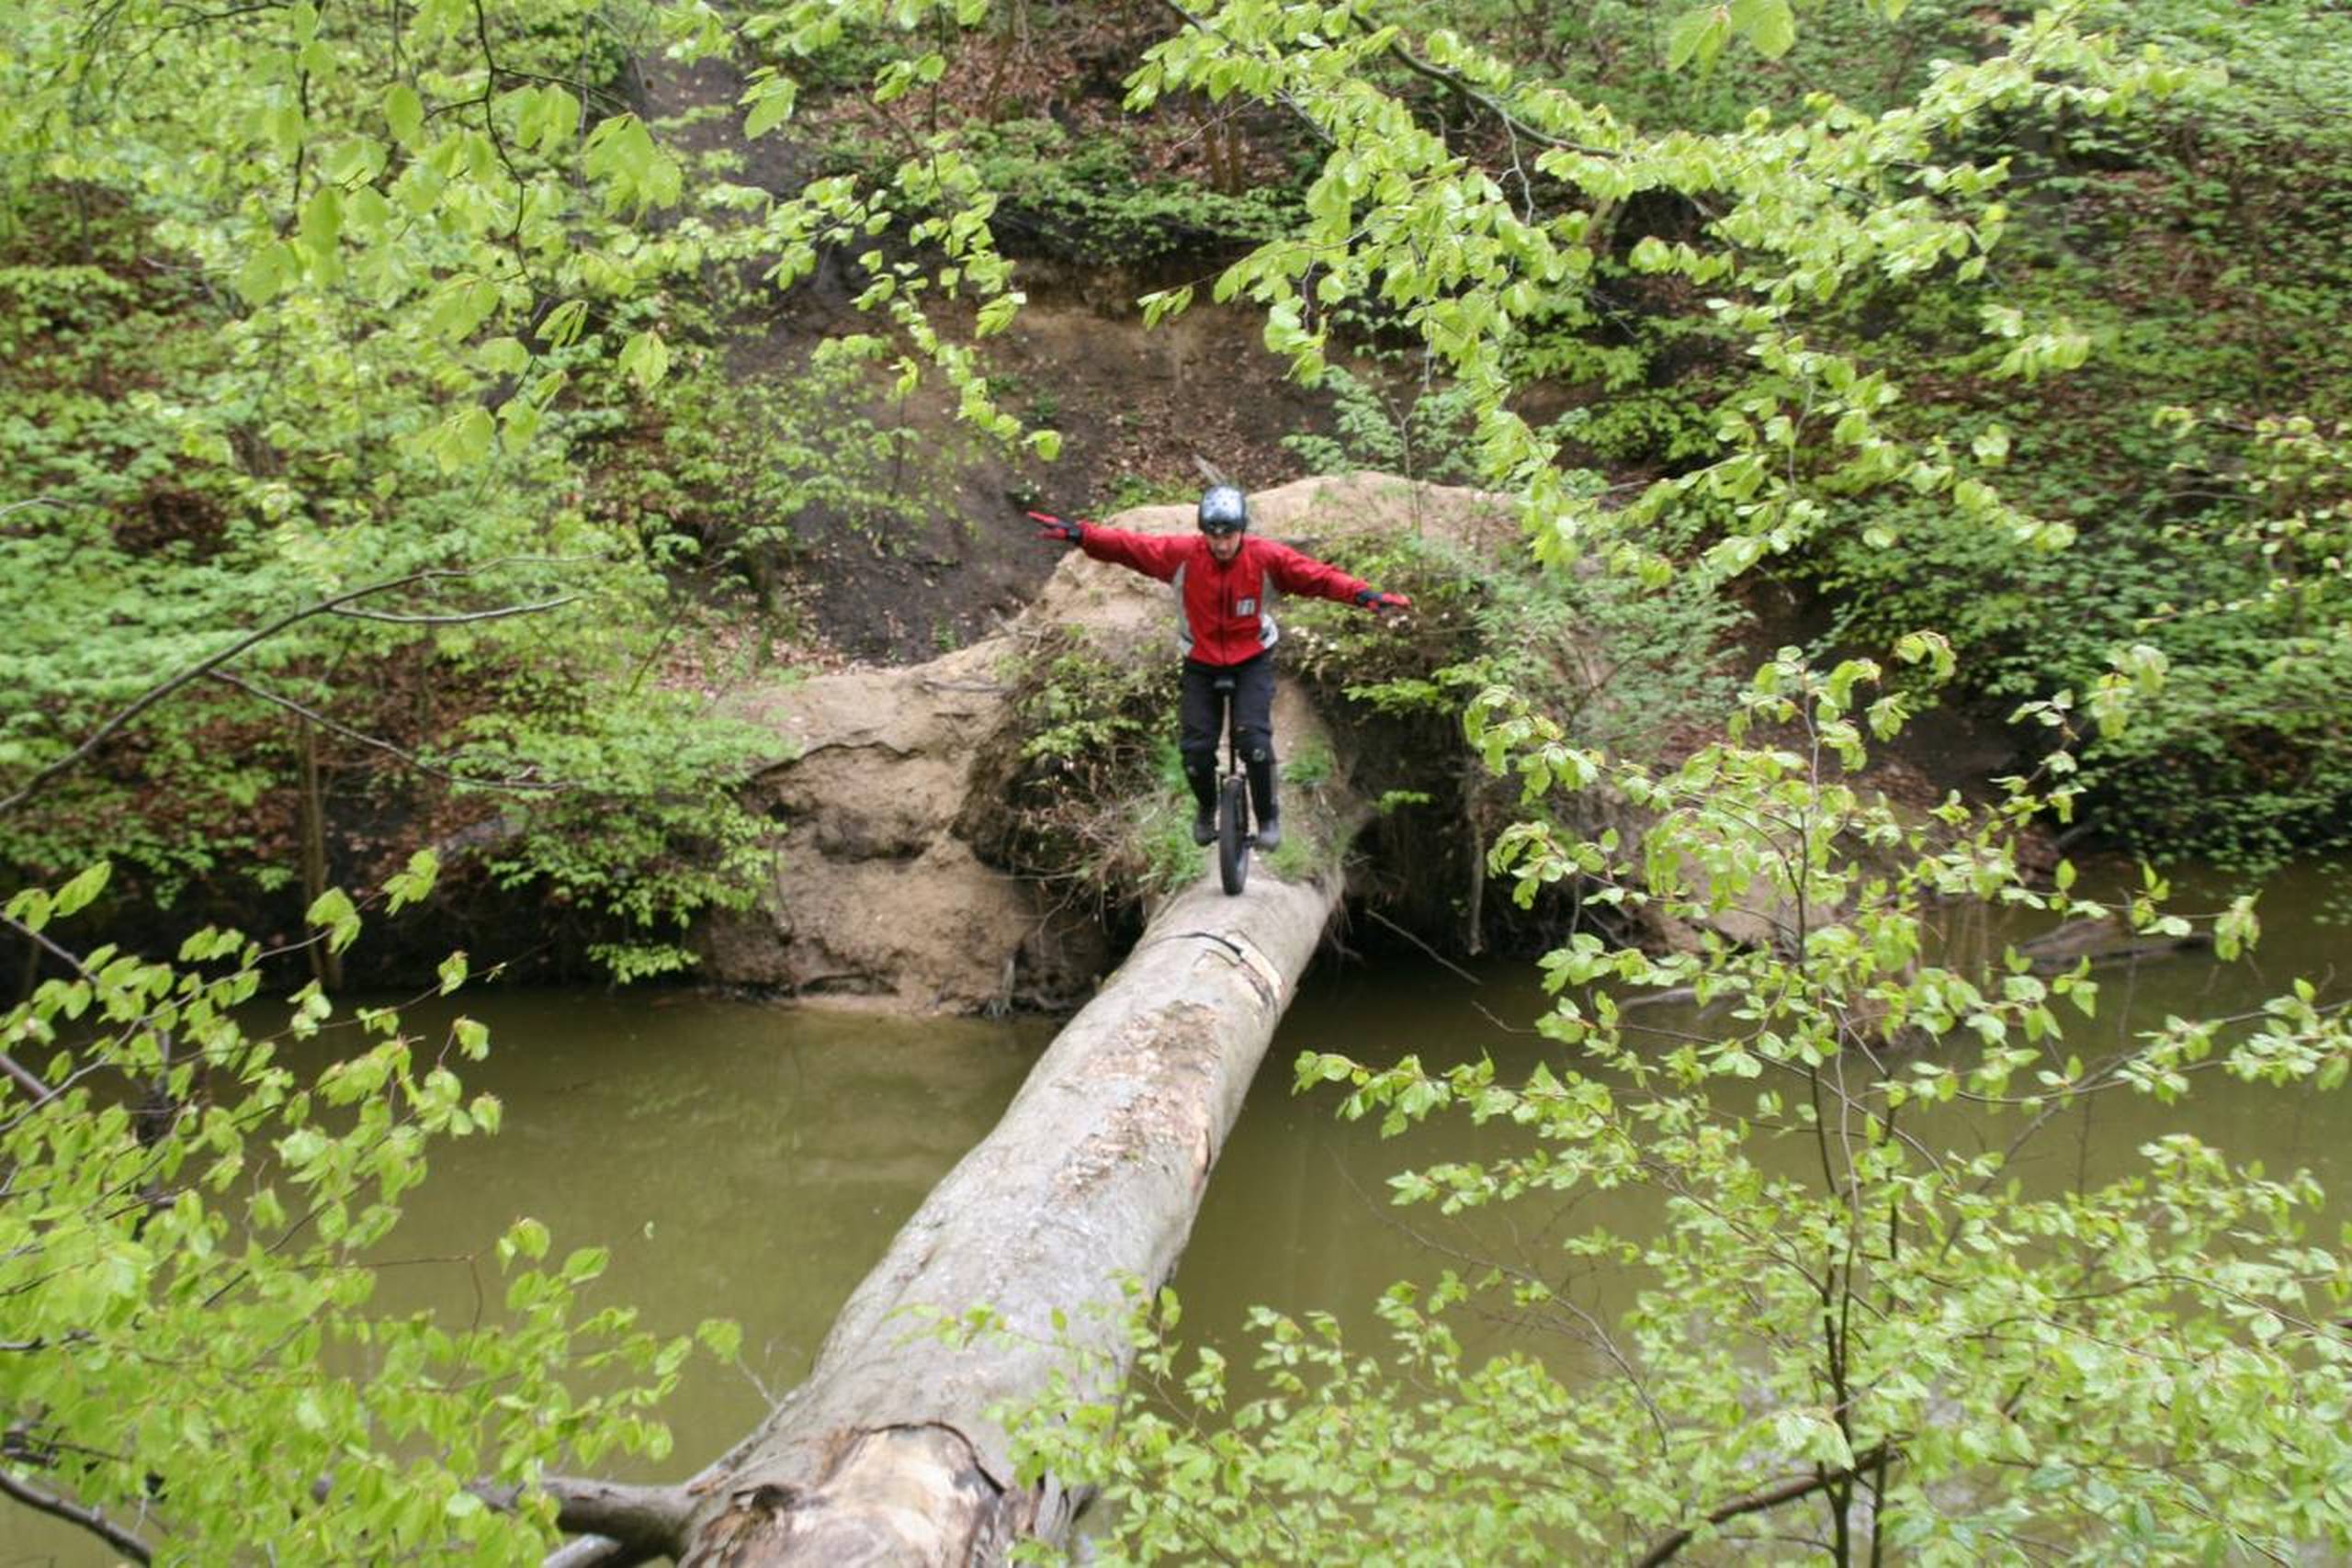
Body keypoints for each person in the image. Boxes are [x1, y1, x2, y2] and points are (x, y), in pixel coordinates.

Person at [1031, 484, 1409, 853]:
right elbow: (1129, 547)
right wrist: (1081, 534)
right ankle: (1207, 808)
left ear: (1242, 530)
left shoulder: (1266, 558)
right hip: (1200, 662)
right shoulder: (1182, 556)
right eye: (1214, 536)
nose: (1222, 544)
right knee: (1195, 752)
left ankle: (1268, 818)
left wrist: (1364, 595)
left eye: (1229, 535)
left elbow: (1318, 577)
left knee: (1254, 744)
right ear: (1204, 533)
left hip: (1252, 660)